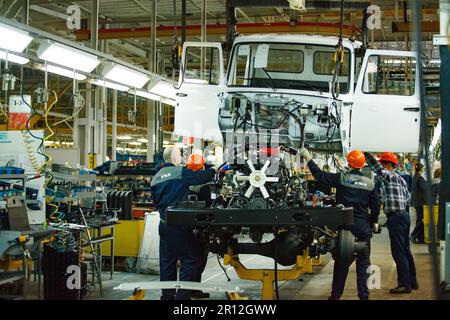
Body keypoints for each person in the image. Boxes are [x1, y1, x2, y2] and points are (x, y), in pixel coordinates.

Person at [300, 148, 380, 300]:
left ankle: (336, 295)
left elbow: (320, 176)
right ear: (362, 165)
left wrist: (309, 158)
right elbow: (375, 206)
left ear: (349, 164)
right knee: (363, 263)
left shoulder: (341, 178)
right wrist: (373, 222)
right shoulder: (370, 184)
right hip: (363, 227)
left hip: (345, 227)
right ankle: (364, 295)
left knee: (341, 262)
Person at [151, 147, 215, 300]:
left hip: (164, 223)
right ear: (174, 159)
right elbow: (201, 177)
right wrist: (215, 171)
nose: (181, 159)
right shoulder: (179, 172)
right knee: (190, 259)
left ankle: (167, 296)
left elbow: (155, 202)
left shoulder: (156, 177)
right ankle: (183, 296)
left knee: (167, 261)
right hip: (179, 224)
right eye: (180, 155)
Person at [364, 152, 418, 294]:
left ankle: (404, 285)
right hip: (404, 216)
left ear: (388, 164)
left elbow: (376, 168)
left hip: (396, 218)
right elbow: (407, 199)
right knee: (406, 250)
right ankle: (412, 281)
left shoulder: (389, 176)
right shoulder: (401, 179)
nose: (381, 166)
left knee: (398, 252)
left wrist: (365, 153)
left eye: (383, 164)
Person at [410, 163, 427, 244]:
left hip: (417, 202)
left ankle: (420, 238)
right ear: (421, 169)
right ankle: (413, 235)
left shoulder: (415, 177)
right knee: (422, 220)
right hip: (420, 202)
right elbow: (425, 189)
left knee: (419, 219)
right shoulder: (420, 179)